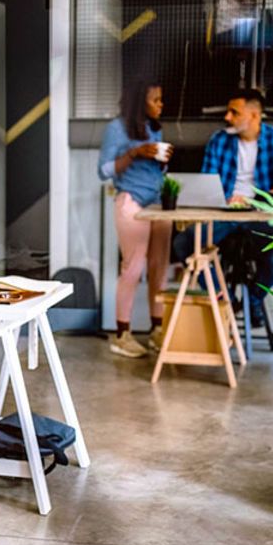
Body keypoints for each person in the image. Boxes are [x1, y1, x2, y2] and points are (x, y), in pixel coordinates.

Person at [174, 89, 273, 327]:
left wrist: (253, 201)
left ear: (254, 115)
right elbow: (206, 184)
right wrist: (225, 199)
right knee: (183, 243)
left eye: (234, 112)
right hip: (224, 213)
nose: (227, 117)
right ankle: (224, 301)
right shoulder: (219, 140)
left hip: (262, 214)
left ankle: (254, 298)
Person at [97, 80, 174, 358]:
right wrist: (134, 152)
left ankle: (157, 330)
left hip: (157, 203)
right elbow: (104, 170)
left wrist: (162, 161)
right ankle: (122, 334)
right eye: (156, 100)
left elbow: (155, 172)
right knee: (133, 267)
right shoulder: (116, 129)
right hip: (131, 201)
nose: (160, 105)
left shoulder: (155, 128)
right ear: (140, 101)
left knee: (159, 267)